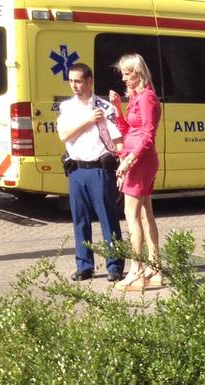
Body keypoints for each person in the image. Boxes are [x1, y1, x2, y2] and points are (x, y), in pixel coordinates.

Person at [57, 62, 125, 282]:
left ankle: (114, 265)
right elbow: (64, 135)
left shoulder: (104, 108)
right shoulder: (67, 108)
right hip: (76, 169)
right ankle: (84, 265)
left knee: (108, 218)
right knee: (80, 220)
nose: (74, 86)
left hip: (98, 169)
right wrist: (87, 120)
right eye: (71, 81)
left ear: (89, 81)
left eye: (78, 81)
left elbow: (117, 139)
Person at [108, 53, 163, 292]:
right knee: (144, 213)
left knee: (131, 213)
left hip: (140, 160)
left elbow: (148, 136)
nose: (124, 78)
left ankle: (136, 270)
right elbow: (127, 129)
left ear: (138, 73)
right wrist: (117, 109)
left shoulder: (147, 98)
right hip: (135, 157)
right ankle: (154, 266)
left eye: (127, 74)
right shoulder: (137, 97)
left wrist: (129, 160)